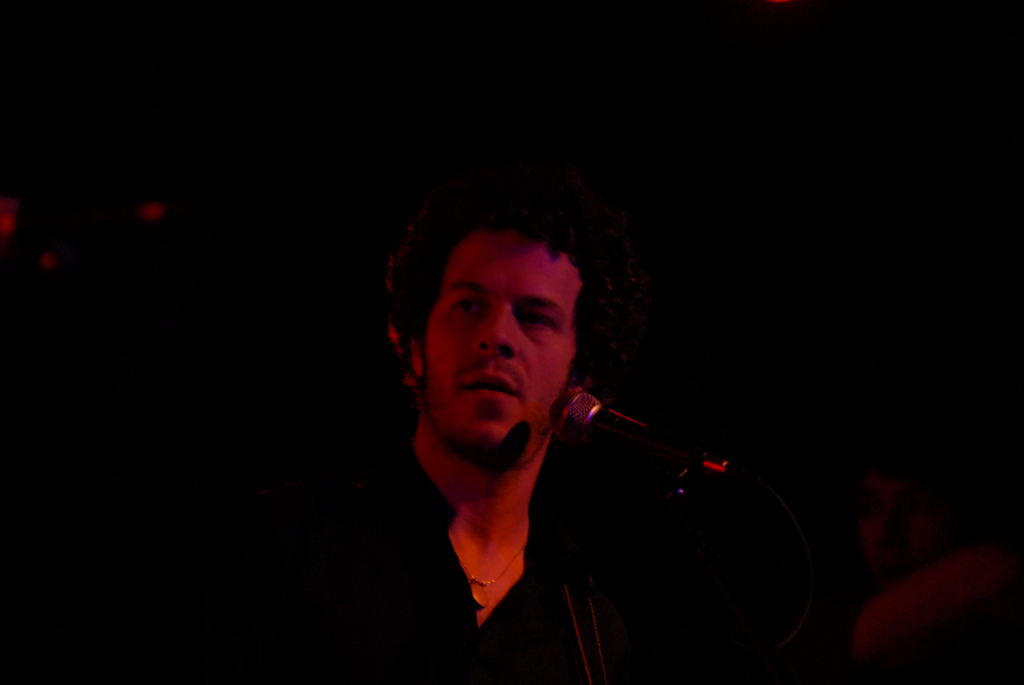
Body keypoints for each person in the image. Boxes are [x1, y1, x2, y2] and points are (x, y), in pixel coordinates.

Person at [206, 163, 651, 684]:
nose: (496, 336)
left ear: (581, 375)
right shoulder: (278, 549)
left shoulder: (588, 634)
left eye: (534, 317)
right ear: (415, 343)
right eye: (469, 305)